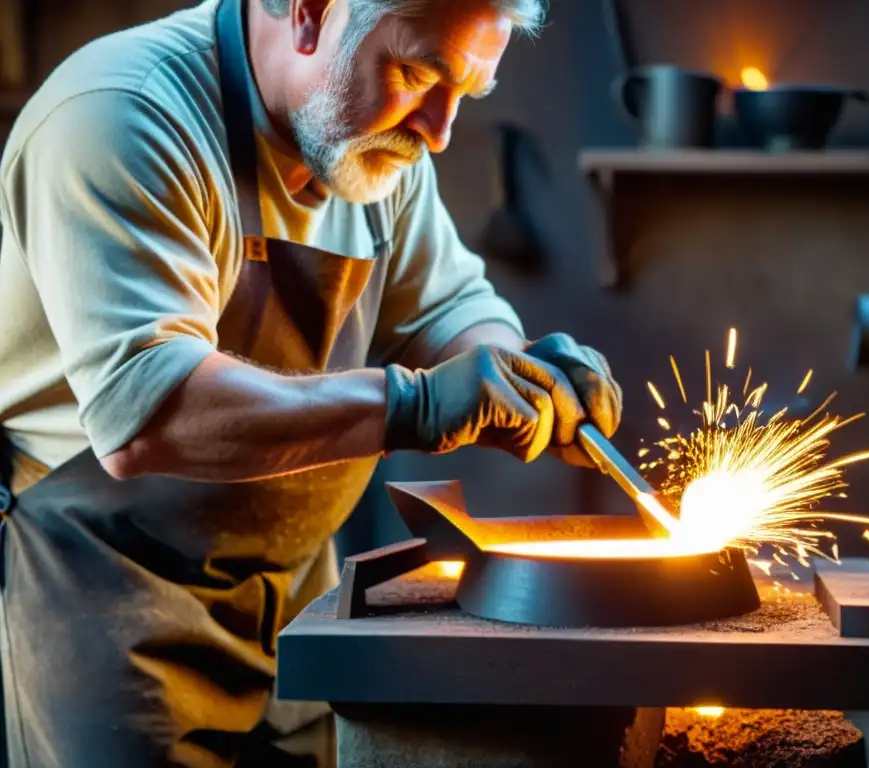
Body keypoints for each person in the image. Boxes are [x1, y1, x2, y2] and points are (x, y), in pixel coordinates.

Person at [0, 0, 623, 764]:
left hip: (294, 593)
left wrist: (518, 369)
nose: (438, 130)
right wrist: (418, 405)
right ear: (309, 11)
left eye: (464, 91)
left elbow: (450, 303)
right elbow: (149, 410)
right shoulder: (121, 115)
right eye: (416, 74)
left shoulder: (373, 148)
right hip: (104, 598)